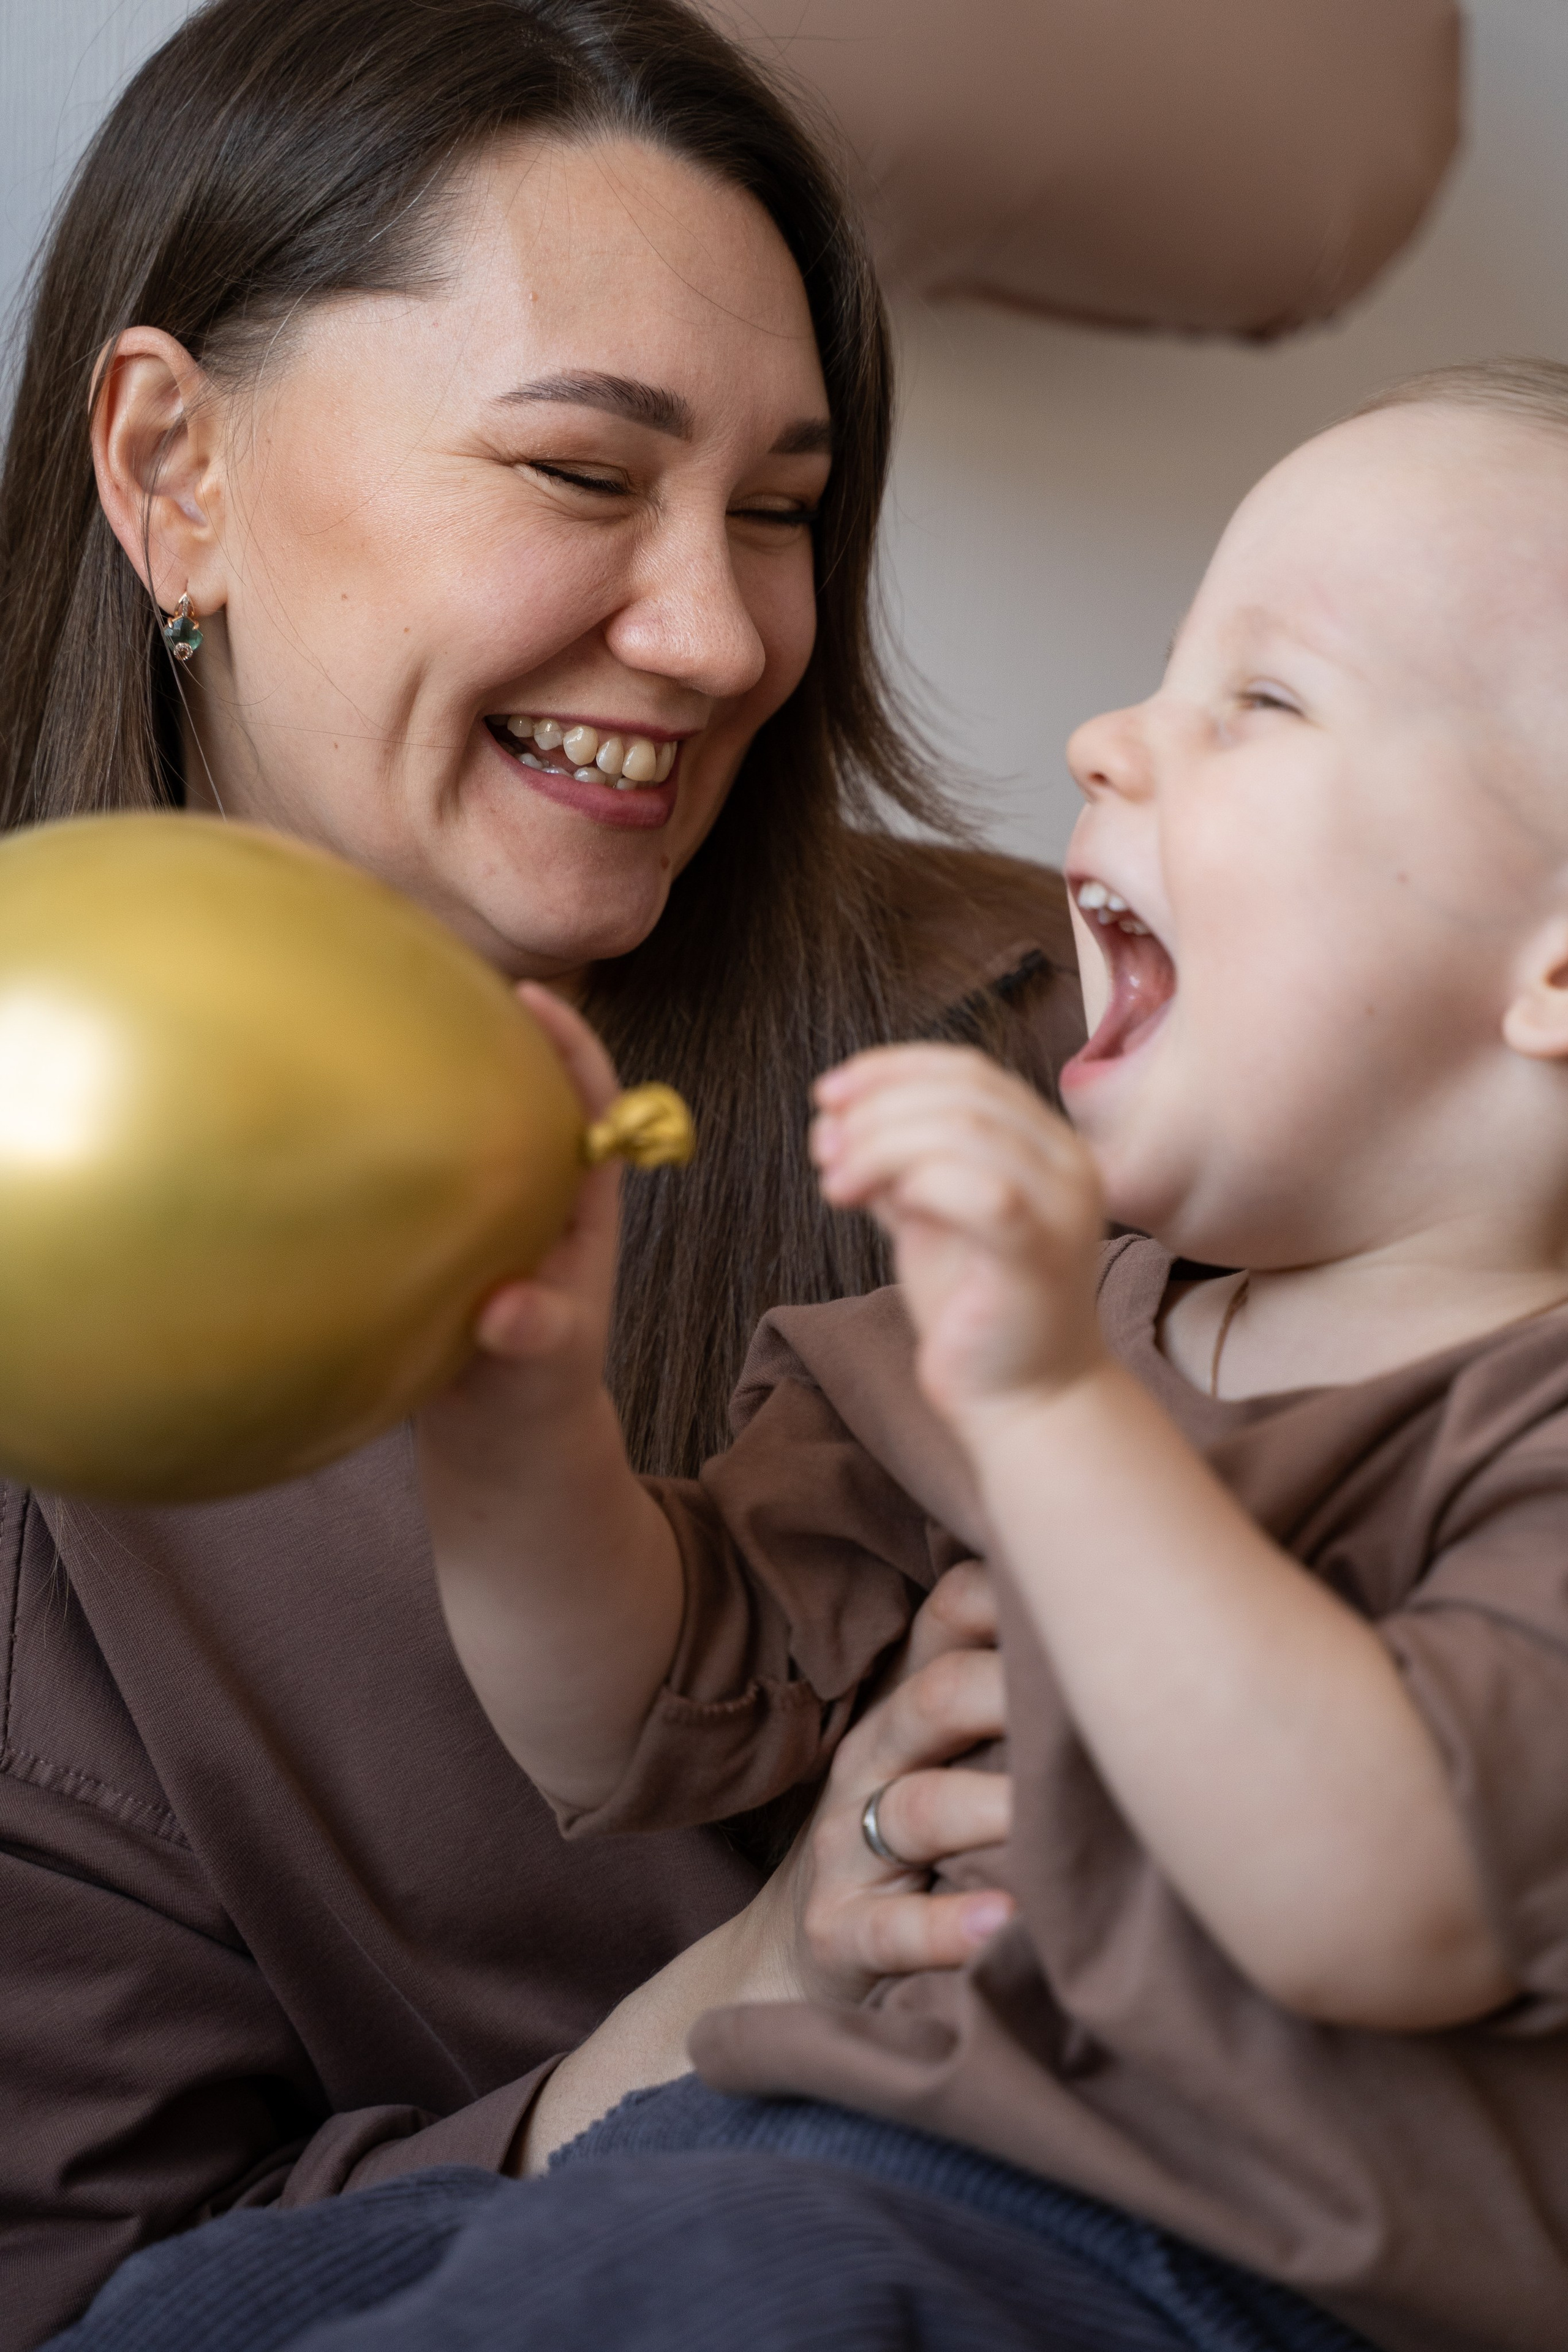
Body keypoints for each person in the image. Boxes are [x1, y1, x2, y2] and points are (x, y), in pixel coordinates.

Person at [89, 357, 1568, 2352]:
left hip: (1210, 2272)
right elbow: (636, 1715)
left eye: (1265, 702)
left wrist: (1044, 1410)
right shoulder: (1046, 1317)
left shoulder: (1492, 1421)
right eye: (1164, 674)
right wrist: (523, 1416)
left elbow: (1385, 1902)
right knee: (215, 2303)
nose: (1109, 738)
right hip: (779, 2152)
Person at [0, 1, 1082, 2342]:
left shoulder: (1062, 1033)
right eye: (586, 476)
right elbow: (112, 2288)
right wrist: (751, 1991)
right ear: (172, 467)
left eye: (782, 513)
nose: (716, 636)